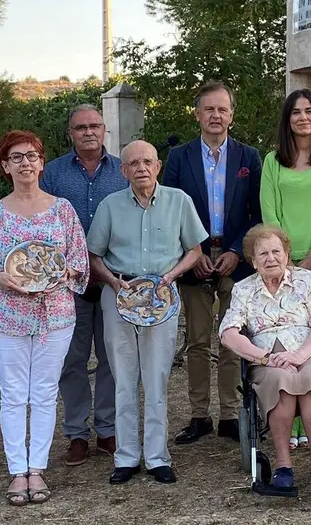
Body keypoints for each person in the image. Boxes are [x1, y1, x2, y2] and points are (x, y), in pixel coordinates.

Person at [0, 130, 89, 506]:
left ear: (41, 162)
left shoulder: (63, 209)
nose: (26, 163)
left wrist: (60, 274)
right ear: (6, 166)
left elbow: (79, 261)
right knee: (13, 394)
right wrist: (1, 277)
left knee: (44, 393)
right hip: (8, 316)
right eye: (17, 157)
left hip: (55, 316)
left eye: (32, 156)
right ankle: (16, 472)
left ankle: (37, 469)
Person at [87, 140, 207, 485]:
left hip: (161, 298)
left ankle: (157, 457)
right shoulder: (110, 206)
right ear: (123, 170)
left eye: (147, 162)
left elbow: (195, 250)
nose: (141, 168)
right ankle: (126, 457)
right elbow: (94, 254)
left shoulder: (178, 202)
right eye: (133, 163)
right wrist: (111, 282)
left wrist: (171, 277)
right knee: (124, 378)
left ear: (158, 166)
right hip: (120, 296)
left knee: (157, 378)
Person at [162, 81, 262, 445]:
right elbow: (169, 208)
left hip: (236, 260)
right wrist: (195, 251)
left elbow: (257, 211)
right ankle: (199, 415)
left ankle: (231, 415)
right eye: (209, 109)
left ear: (231, 115)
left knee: (233, 339)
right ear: (198, 114)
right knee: (198, 341)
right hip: (194, 259)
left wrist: (237, 249)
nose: (216, 115)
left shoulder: (249, 157)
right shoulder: (179, 158)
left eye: (222, 109)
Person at [219, 224, 311, 492]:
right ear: (253, 262)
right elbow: (228, 333)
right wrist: (263, 356)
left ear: (287, 255)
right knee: (281, 382)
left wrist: (300, 355)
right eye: (262, 254)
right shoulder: (243, 290)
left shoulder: (308, 281)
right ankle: (283, 465)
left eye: (276, 251)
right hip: (269, 359)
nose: (270, 258)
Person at [40, 104, 127, 465]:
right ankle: (77, 432)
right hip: (67, 285)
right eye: (80, 128)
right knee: (71, 360)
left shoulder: (123, 170)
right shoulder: (53, 174)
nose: (88, 132)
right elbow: (42, 222)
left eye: (94, 126)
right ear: (70, 133)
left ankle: (107, 429)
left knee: (110, 358)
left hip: (112, 281)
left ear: (104, 129)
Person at [260, 88, 311, 308]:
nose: (303, 117)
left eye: (309, 111)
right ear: (288, 119)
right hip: (279, 262)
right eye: (296, 112)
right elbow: (269, 211)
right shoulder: (272, 161)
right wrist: (284, 258)